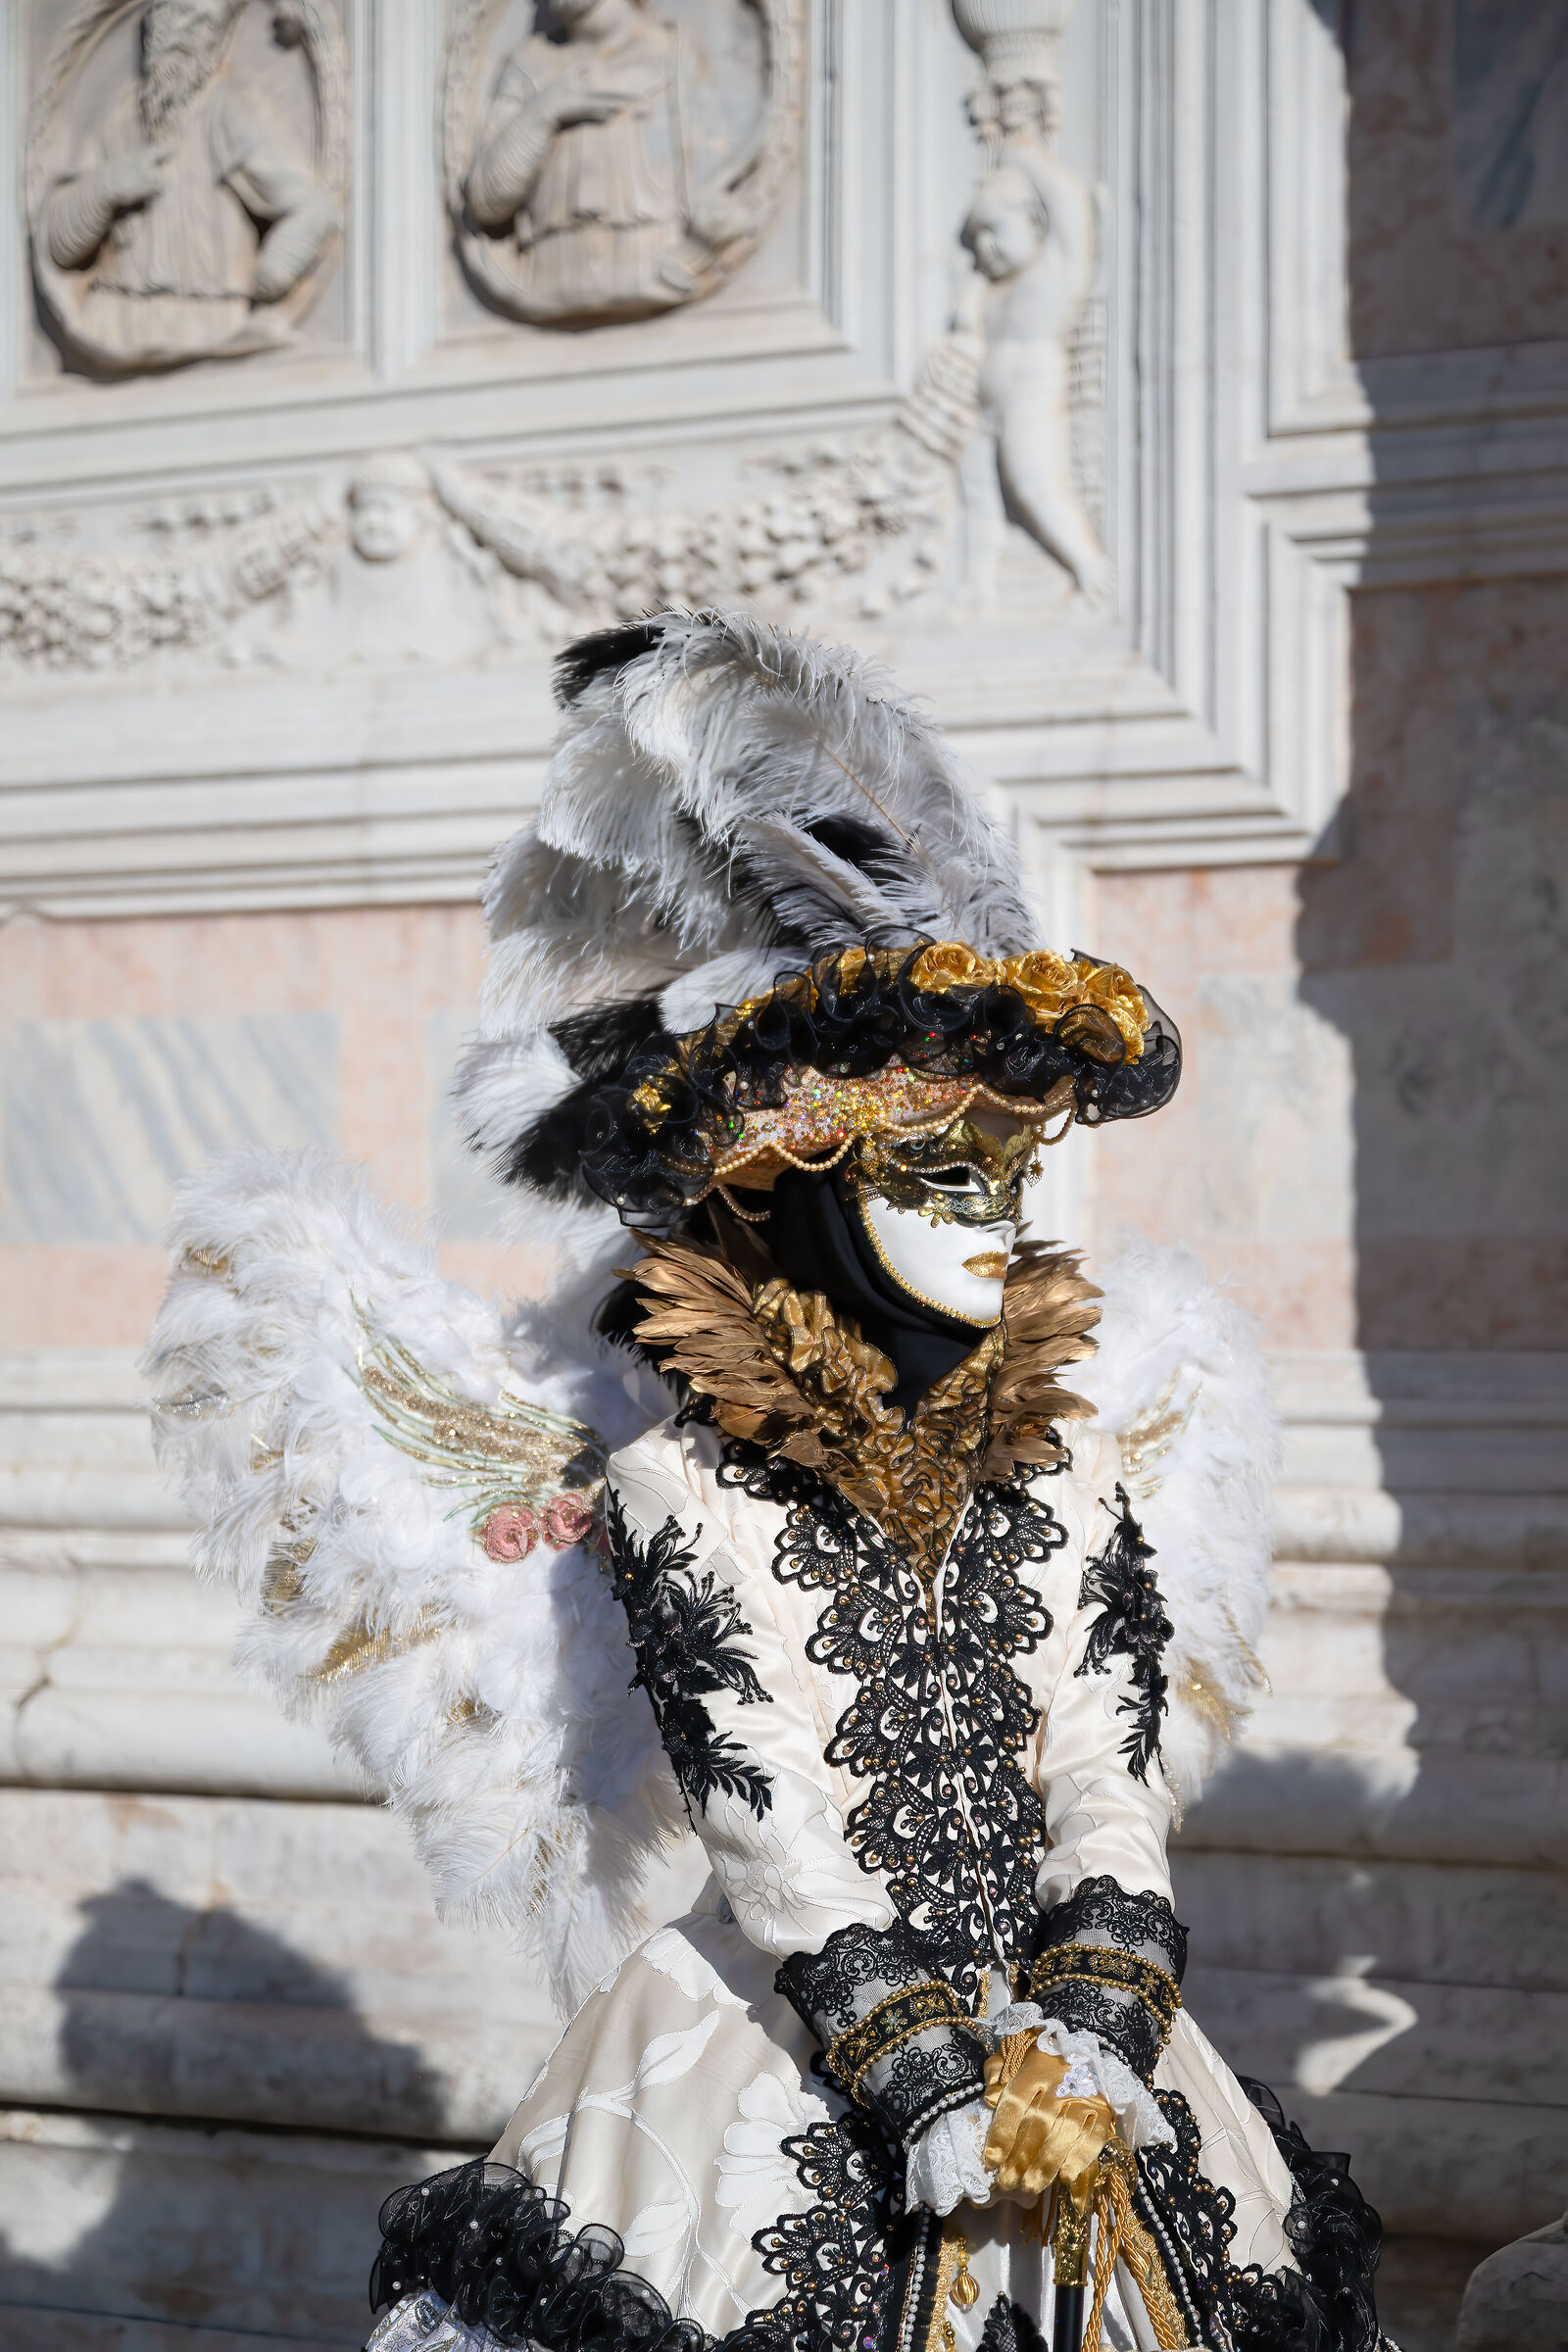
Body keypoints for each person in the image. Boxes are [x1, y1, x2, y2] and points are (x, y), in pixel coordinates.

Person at [146, 612, 1392, 2352]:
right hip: (800, 2046)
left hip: (1086, 2050)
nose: (993, 1220)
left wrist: (1100, 2014)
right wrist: (924, 2076)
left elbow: (1109, 1764)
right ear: (808, 1188)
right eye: (940, 1179)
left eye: (1007, 1176)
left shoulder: (1073, 1460)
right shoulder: (685, 1489)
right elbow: (768, 1815)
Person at [40, 0, 336, 368]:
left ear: (214, 38)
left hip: (205, 319)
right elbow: (58, 245)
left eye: (197, 25)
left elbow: (312, 207)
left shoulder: (228, 108)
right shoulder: (121, 119)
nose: (179, 36)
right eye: (169, 20)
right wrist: (105, 188)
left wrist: (273, 272)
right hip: (111, 320)